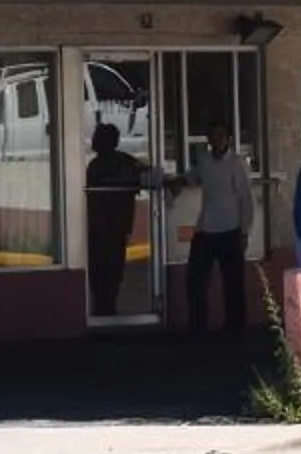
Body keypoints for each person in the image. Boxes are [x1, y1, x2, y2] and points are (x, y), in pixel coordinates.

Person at [167, 124, 254, 334]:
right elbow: (194, 175)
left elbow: (247, 200)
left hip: (230, 228)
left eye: (221, 136)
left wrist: (244, 231)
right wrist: (176, 181)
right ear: (209, 139)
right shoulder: (205, 161)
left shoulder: (237, 164)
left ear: (228, 139)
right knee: (195, 279)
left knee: (233, 283)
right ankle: (198, 325)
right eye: (213, 136)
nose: (217, 140)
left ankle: (235, 327)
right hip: (205, 228)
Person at [84, 123, 146, 316]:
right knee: (112, 271)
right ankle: (107, 308)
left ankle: (103, 309)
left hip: (102, 227)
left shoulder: (96, 166)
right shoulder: (125, 162)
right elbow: (147, 172)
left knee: (100, 271)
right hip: (115, 227)